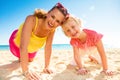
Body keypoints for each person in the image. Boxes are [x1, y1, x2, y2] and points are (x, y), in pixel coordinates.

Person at [9, 2, 68, 80]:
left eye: (57, 21)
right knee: (23, 61)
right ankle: (21, 59)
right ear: (48, 13)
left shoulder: (52, 30)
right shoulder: (32, 20)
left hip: (32, 49)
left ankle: (21, 59)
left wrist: (47, 66)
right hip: (16, 44)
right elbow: (23, 47)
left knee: (29, 60)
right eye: (52, 16)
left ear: (59, 24)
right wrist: (25, 71)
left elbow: (48, 47)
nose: (53, 22)